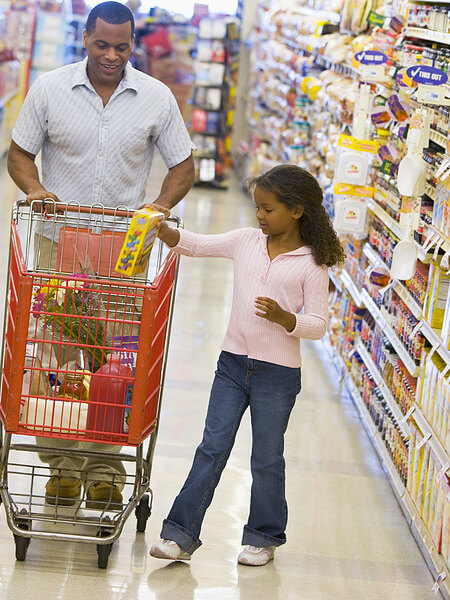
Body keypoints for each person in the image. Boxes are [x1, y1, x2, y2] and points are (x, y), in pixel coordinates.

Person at [6, 1, 195, 511]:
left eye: (122, 46)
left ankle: (108, 470)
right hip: (57, 246)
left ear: (133, 43)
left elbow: (183, 166)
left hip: (122, 256)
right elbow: (19, 154)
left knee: (115, 365)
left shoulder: (156, 98)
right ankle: (63, 469)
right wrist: (35, 189)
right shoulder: (49, 89)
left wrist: (158, 206)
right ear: (84, 38)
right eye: (101, 44)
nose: (112, 55)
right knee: (54, 358)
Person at [146, 164, 345, 566]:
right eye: (258, 208)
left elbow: (320, 325)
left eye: (268, 209)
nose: (259, 216)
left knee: (266, 456)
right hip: (233, 364)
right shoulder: (246, 242)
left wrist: (286, 319)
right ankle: (180, 536)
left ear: (296, 211)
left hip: (278, 375)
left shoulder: (312, 264)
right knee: (211, 447)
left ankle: (263, 537)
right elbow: (198, 244)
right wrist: (165, 231)